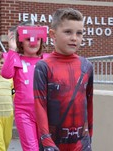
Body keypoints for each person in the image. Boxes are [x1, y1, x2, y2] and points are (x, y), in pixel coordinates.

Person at [33, 8, 93, 151]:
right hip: (53, 143)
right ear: (53, 34)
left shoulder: (87, 66)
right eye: (68, 32)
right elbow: (39, 105)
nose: (74, 38)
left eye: (79, 33)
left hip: (80, 143)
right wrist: (46, 139)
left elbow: (89, 102)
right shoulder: (43, 67)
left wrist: (89, 136)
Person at [1, 23, 48, 151]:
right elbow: (6, 74)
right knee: (31, 148)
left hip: (45, 111)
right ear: (20, 42)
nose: (33, 42)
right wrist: (11, 50)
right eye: (28, 39)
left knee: (47, 147)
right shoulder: (15, 58)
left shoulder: (47, 60)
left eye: (37, 39)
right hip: (24, 112)